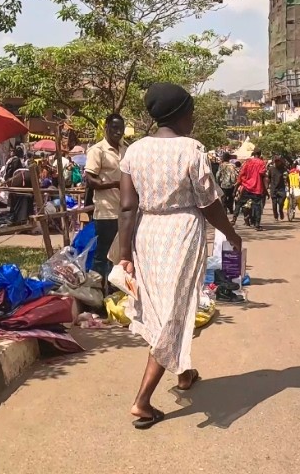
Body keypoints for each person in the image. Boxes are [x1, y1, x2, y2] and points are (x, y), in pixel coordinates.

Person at [116, 83, 242, 429]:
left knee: (171, 305)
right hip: (181, 232)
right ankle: (142, 401)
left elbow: (128, 207)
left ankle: (184, 372)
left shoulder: (134, 152)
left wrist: (125, 252)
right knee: (172, 311)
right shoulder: (192, 149)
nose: (193, 117)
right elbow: (209, 203)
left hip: (148, 233)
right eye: (191, 111)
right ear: (180, 113)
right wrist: (231, 235)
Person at [84, 114, 128, 282]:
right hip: (106, 211)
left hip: (125, 211)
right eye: (114, 128)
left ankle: (114, 291)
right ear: (106, 128)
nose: (118, 132)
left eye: (121, 129)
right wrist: (115, 184)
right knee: (103, 254)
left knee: (121, 255)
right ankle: (96, 290)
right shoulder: (98, 150)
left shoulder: (125, 150)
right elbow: (90, 180)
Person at [236, 150, 267, 230]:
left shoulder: (248, 162)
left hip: (246, 186)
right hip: (257, 188)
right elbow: (262, 173)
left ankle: (233, 219)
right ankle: (257, 225)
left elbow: (241, 173)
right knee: (257, 207)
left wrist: (238, 183)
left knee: (240, 203)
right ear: (260, 154)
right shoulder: (261, 163)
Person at [269, 155, 288, 221]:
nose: (277, 163)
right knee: (274, 204)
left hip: (281, 189)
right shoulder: (271, 169)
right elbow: (268, 178)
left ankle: (281, 211)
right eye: (276, 161)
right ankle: (276, 216)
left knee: (281, 203)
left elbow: (287, 178)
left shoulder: (284, 169)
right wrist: (267, 187)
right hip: (273, 189)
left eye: (278, 161)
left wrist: (289, 186)